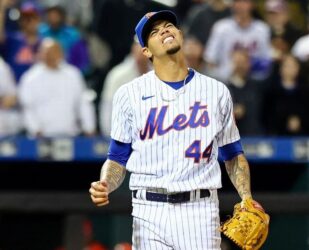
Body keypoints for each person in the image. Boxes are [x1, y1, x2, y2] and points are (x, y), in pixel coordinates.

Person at [89, 10, 264, 249]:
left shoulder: (216, 91)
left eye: (168, 25)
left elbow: (232, 154)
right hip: (148, 210)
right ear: (146, 51)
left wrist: (246, 197)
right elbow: (117, 158)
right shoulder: (128, 94)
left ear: (180, 34)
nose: (164, 30)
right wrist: (105, 183)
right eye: (154, 31)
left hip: (200, 209)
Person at [18, 38, 96, 137]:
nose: (51, 56)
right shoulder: (30, 78)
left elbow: (83, 103)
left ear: (61, 54)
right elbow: (27, 107)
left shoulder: (73, 75)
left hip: (71, 135)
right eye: (48, 52)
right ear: (41, 54)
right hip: (41, 137)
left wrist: (89, 127)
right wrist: (35, 129)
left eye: (54, 52)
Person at [0, 1, 42, 82]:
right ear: (20, 20)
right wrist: (2, 8)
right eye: (25, 18)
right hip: (14, 90)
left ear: (39, 20)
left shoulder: (45, 44)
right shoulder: (12, 40)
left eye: (33, 17)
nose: (29, 21)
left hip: (37, 91)